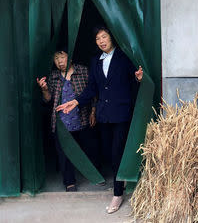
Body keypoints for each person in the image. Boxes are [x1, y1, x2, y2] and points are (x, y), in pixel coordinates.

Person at [56, 27, 143, 214]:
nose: (101, 41)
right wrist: (76, 101)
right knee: (108, 152)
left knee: (116, 152)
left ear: (112, 37)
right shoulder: (95, 61)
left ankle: (118, 194)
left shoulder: (125, 56)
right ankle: (122, 179)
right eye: (97, 38)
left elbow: (134, 79)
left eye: (104, 37)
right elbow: (92, 88)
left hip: (121, 113)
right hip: (104, 114)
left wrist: (139, 80)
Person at [37, 49, 96, 192]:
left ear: (69, 57)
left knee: (89, 148)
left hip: (82, 118)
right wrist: (44, 89)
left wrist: (93, 111)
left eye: (62, 57)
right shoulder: (54, 76)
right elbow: (48, 100)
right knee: (64, 153)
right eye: (56, 58)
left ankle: (94, 173)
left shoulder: (83, 71)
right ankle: (69, 182)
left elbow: (93, 91)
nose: (59, 61)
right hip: (61, 122)